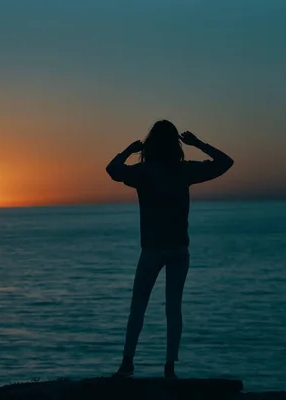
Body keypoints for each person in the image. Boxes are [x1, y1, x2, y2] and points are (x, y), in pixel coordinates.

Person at [106, 119, 234, 378]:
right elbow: (225, 162)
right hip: (178, 249)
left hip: (152, 249)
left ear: (150, 144)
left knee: (138, 307)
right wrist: (198, 144)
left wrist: (129, 150)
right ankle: (170, 367)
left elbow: (112, 169)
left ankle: (127, 362)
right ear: (176, 144)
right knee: (173, 308)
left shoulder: (143, 173)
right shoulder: (183, 171)